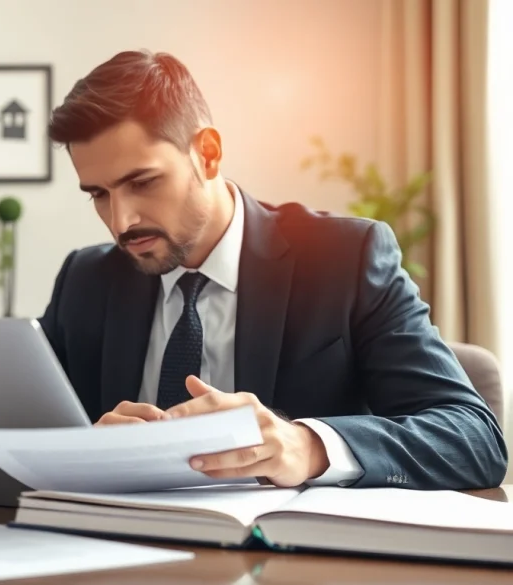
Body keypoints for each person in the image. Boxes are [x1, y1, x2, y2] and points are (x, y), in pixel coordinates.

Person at [37, 49, 508, 491]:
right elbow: (32, 435)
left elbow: (472, 438)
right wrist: (83, 449)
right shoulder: (86, 280)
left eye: (143, 182)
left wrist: (306, 445)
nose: (121, 221)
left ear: (208, 153)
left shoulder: (346, 258)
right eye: (98, 194)